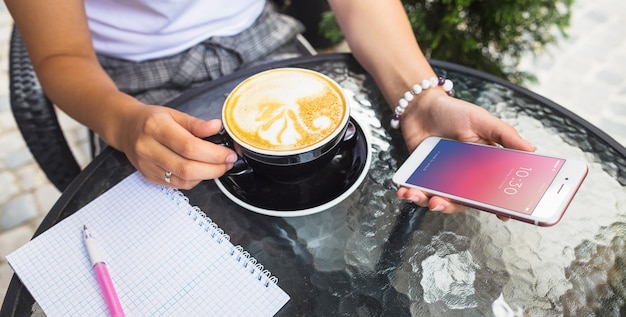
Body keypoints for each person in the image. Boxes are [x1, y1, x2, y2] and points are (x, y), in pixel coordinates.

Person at [6, 0, 535, 215]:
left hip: (261, 39)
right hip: (130, 79)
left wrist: (420, 98)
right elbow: (59, 54)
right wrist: (121, 122)